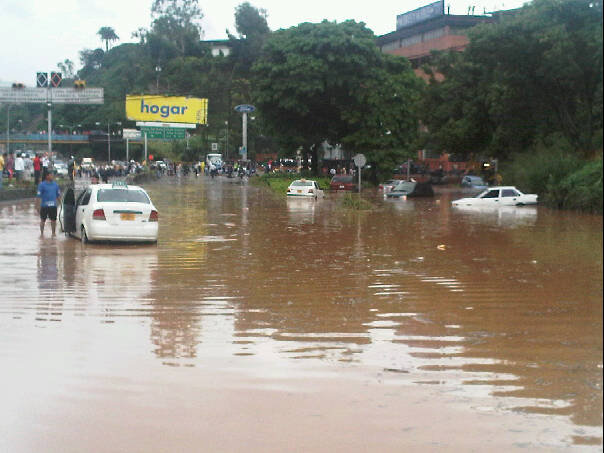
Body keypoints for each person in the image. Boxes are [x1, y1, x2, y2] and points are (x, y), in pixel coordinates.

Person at [36, 172, 61, 237]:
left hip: (53, 206)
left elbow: (58, 196)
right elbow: (38, 196)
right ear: (47, 176)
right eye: (51, 175)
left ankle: (53, 233)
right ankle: (42, 234)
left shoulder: (55, 185)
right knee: (43, 220)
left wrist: (61, 204)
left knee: (53, 220)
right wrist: (38, 206)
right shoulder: (41, 185)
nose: (52, 176)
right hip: (44, 206)